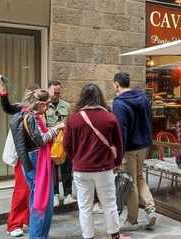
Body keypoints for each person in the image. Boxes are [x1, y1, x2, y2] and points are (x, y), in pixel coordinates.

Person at [64, 84, 123, 239]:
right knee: (109, 203)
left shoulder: (73, 119)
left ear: (82, 97)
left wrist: (76, 159)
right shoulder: (110, 118)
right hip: (104, 168)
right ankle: (115, 235)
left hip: (81, 169)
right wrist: (116, 162)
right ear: (100, 97)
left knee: (84, 206)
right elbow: (118, 144)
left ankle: (88, 236)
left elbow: (66, 146)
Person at [10, 88, 64, 239]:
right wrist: (55, 129)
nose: (46, 108)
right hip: (36, 160)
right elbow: (40, 140)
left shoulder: (24, 114)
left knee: (40, 200)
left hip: (31, 159)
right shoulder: (31, 118)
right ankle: (37, 236)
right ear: (39, 104)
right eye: (45, 105)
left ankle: (39, 235)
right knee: (41, 202)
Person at [112, 72, 157, 231]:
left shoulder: (119, 103)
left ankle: (132, 219)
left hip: (129, 148)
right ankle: (150, 208)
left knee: (130, 182)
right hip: (143, 145)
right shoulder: (143, 98)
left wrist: (118, 154)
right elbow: (149, 120)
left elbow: (121, 131)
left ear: (117, 84)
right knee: (139, 177)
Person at [0, 73, 30, 237]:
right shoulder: (22, 109)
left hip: (39, 157)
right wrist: (2, 87)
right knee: (22, 191)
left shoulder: (44, 109)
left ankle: (27, 219)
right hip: (24, 158)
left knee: (33, 191)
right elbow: (7, 107)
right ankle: (14, 224)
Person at [46, 80, 74, 207]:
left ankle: (68, 194)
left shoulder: (66, 106)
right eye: (54, 92)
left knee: (67, 168)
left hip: (65, 142)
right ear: (48, 90)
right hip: (51, 143)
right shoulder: (44, 106)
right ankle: (55, 194)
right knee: (53, 170)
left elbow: (71, 122)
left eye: (58, 92)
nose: (57, 94)